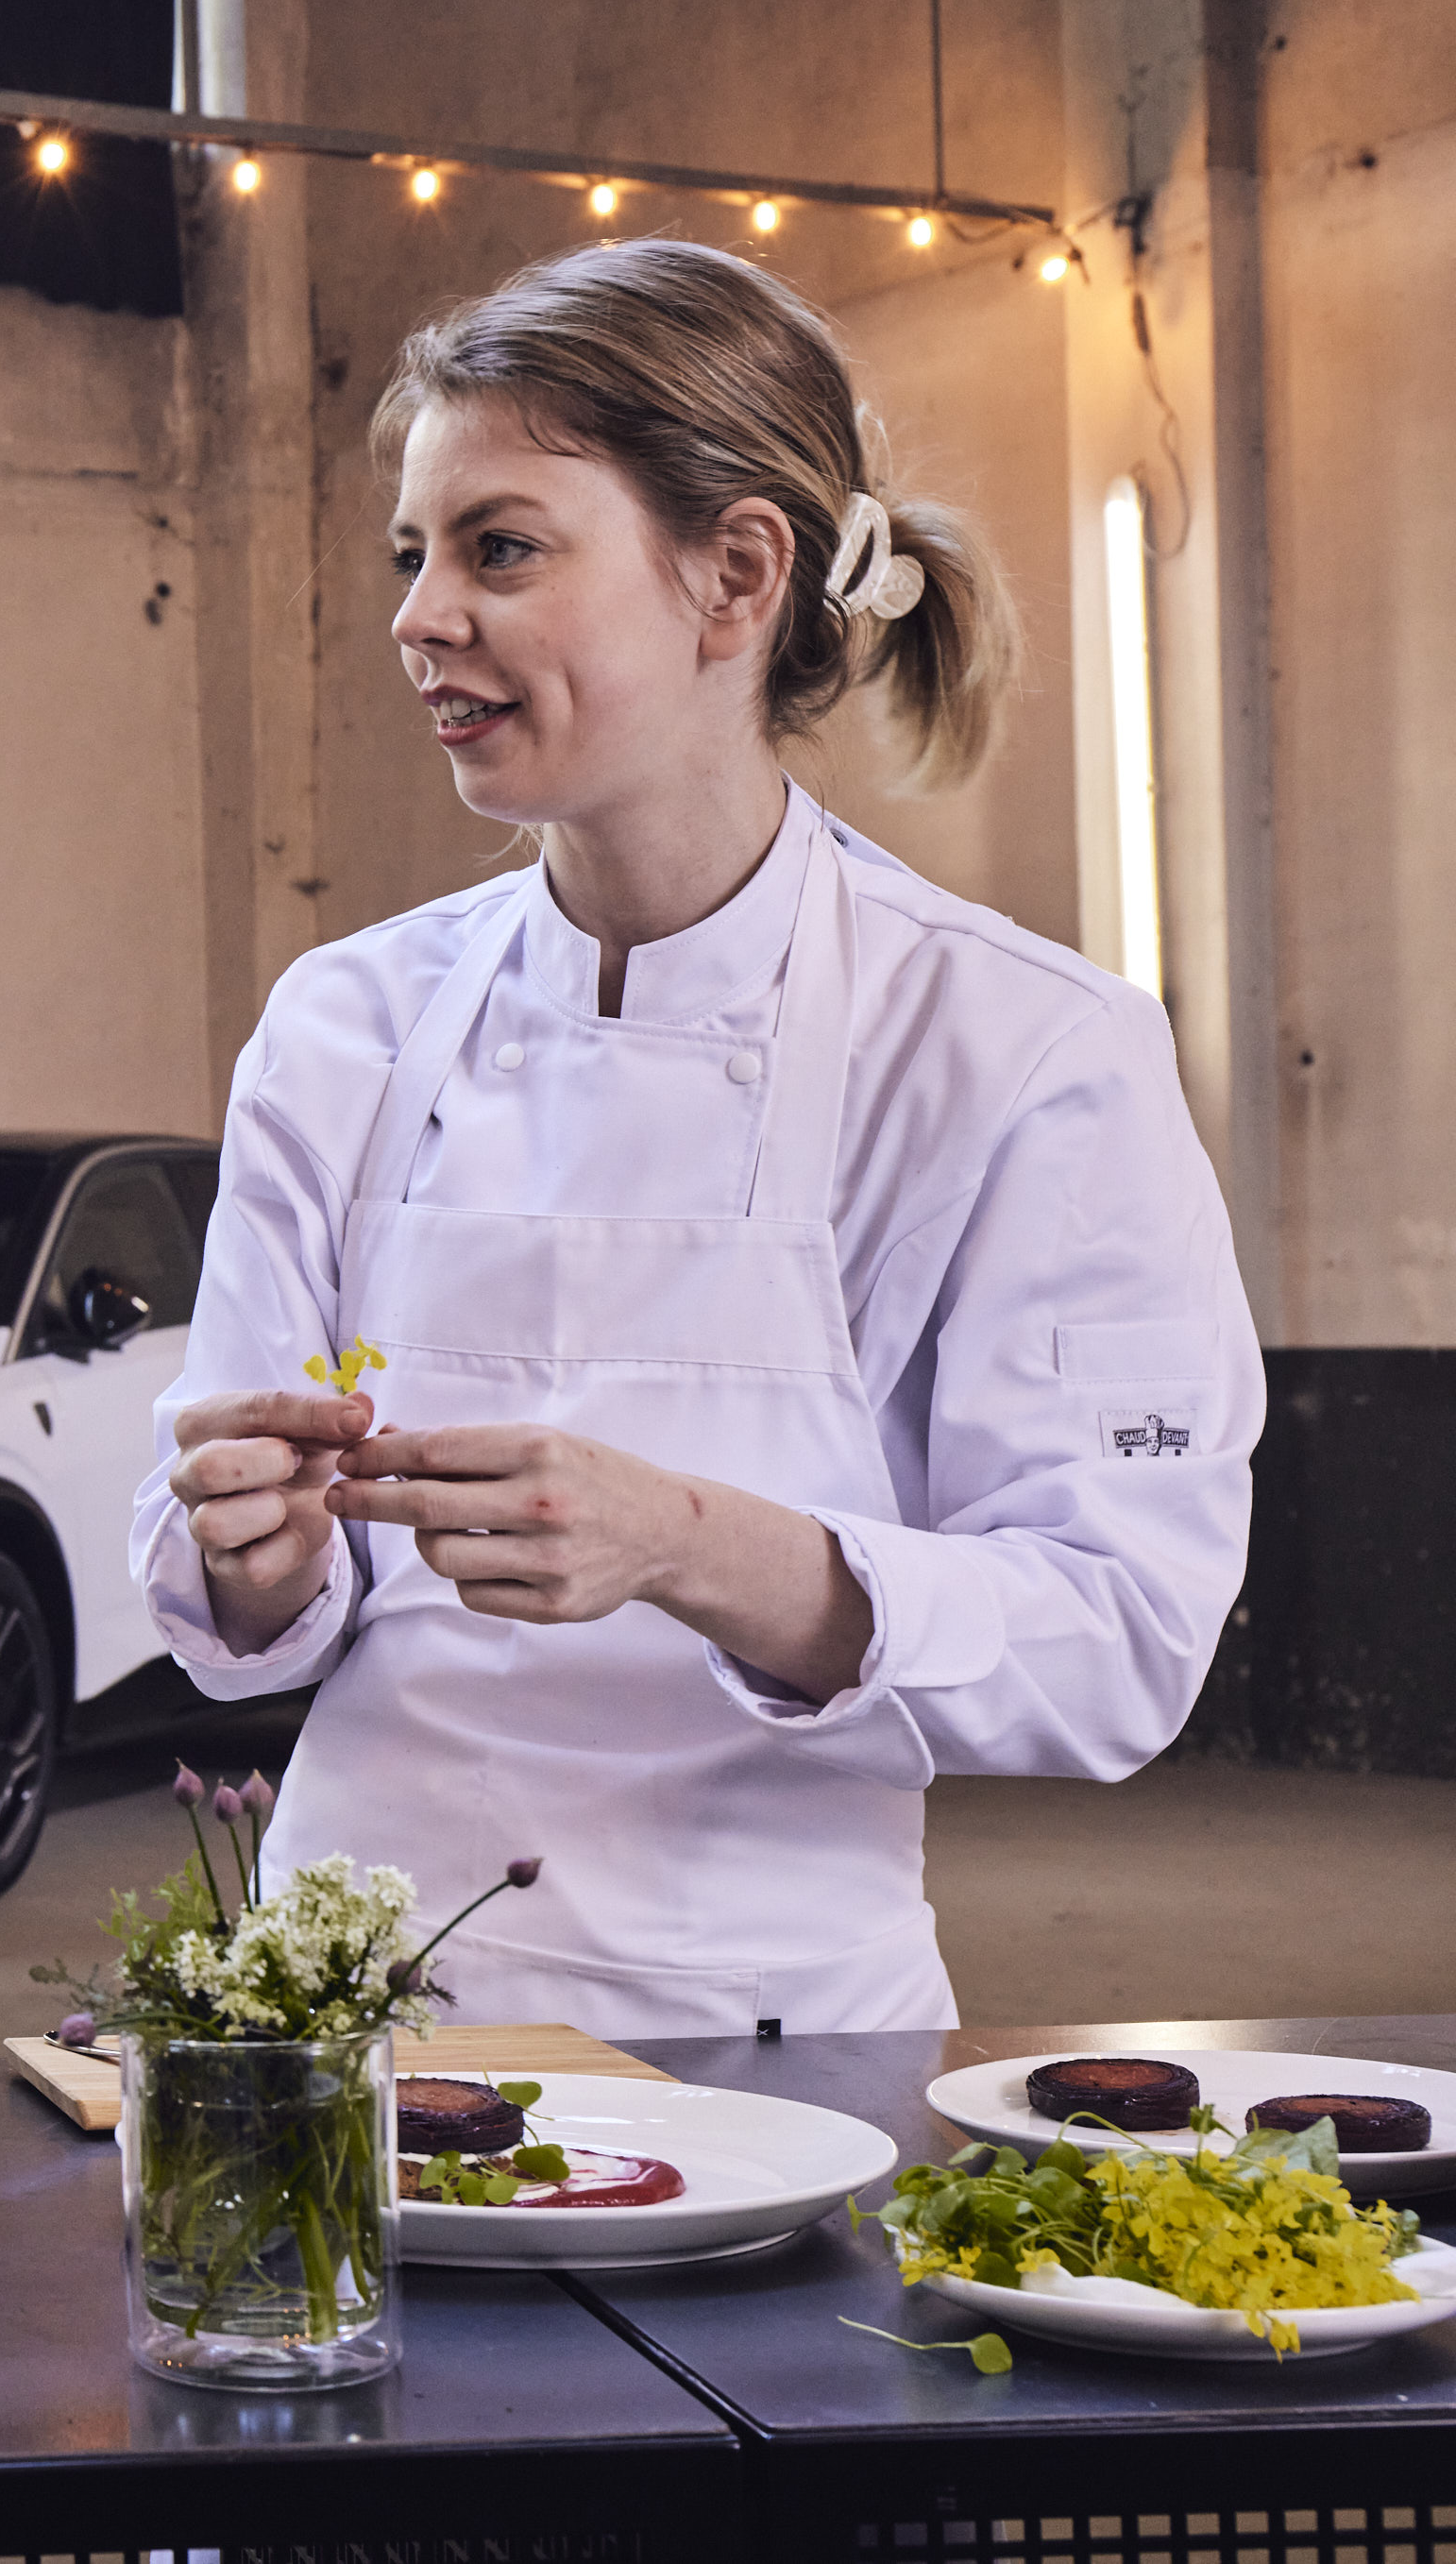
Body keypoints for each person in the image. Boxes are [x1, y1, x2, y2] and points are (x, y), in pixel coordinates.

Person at [134, 240, 1258, 2041]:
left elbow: (1118, 1636)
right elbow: (247, 1567)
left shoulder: (1027, 1051)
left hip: (781, 2052)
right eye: (411, 555)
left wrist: (686, 1546)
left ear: (734, 576)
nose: (421, 615)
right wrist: (252, 1557)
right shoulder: (345, 1026)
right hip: (342, 2045)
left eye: (499, 546)